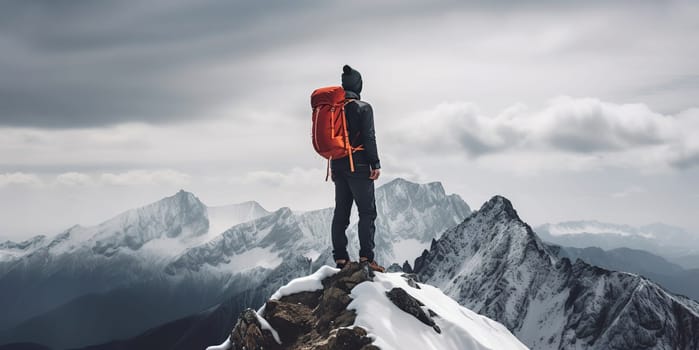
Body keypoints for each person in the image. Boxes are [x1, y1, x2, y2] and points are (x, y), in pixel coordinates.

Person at [331, 65, 384, 273]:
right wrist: (375, 163)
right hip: (359, 165)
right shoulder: (363, 107)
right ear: (358, 85)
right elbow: (369, 136)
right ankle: (366, 258)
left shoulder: (334, 108)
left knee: (341, 213)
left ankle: (341, 259)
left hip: (337, 164)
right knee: (367, 212)